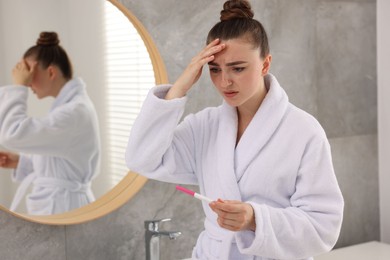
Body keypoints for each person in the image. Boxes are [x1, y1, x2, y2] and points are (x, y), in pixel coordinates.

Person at [126, 0, 344, 259]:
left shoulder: (303, 131)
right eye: (214, 69)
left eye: (238, 68)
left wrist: (255, 219)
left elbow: (323, 228)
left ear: (265, 64)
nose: (224, 81)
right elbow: (141, 159)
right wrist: (179, 88)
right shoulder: (205, 127)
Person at [0, 32, 100, 216]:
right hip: (63, 203)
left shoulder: (73, 113)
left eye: (29, 73)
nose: (28, 82)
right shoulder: (71, 107)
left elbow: (12, 134)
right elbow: (64, 165)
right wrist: (21, 162)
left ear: (51, 72)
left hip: (64, 206)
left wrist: (18, 87)